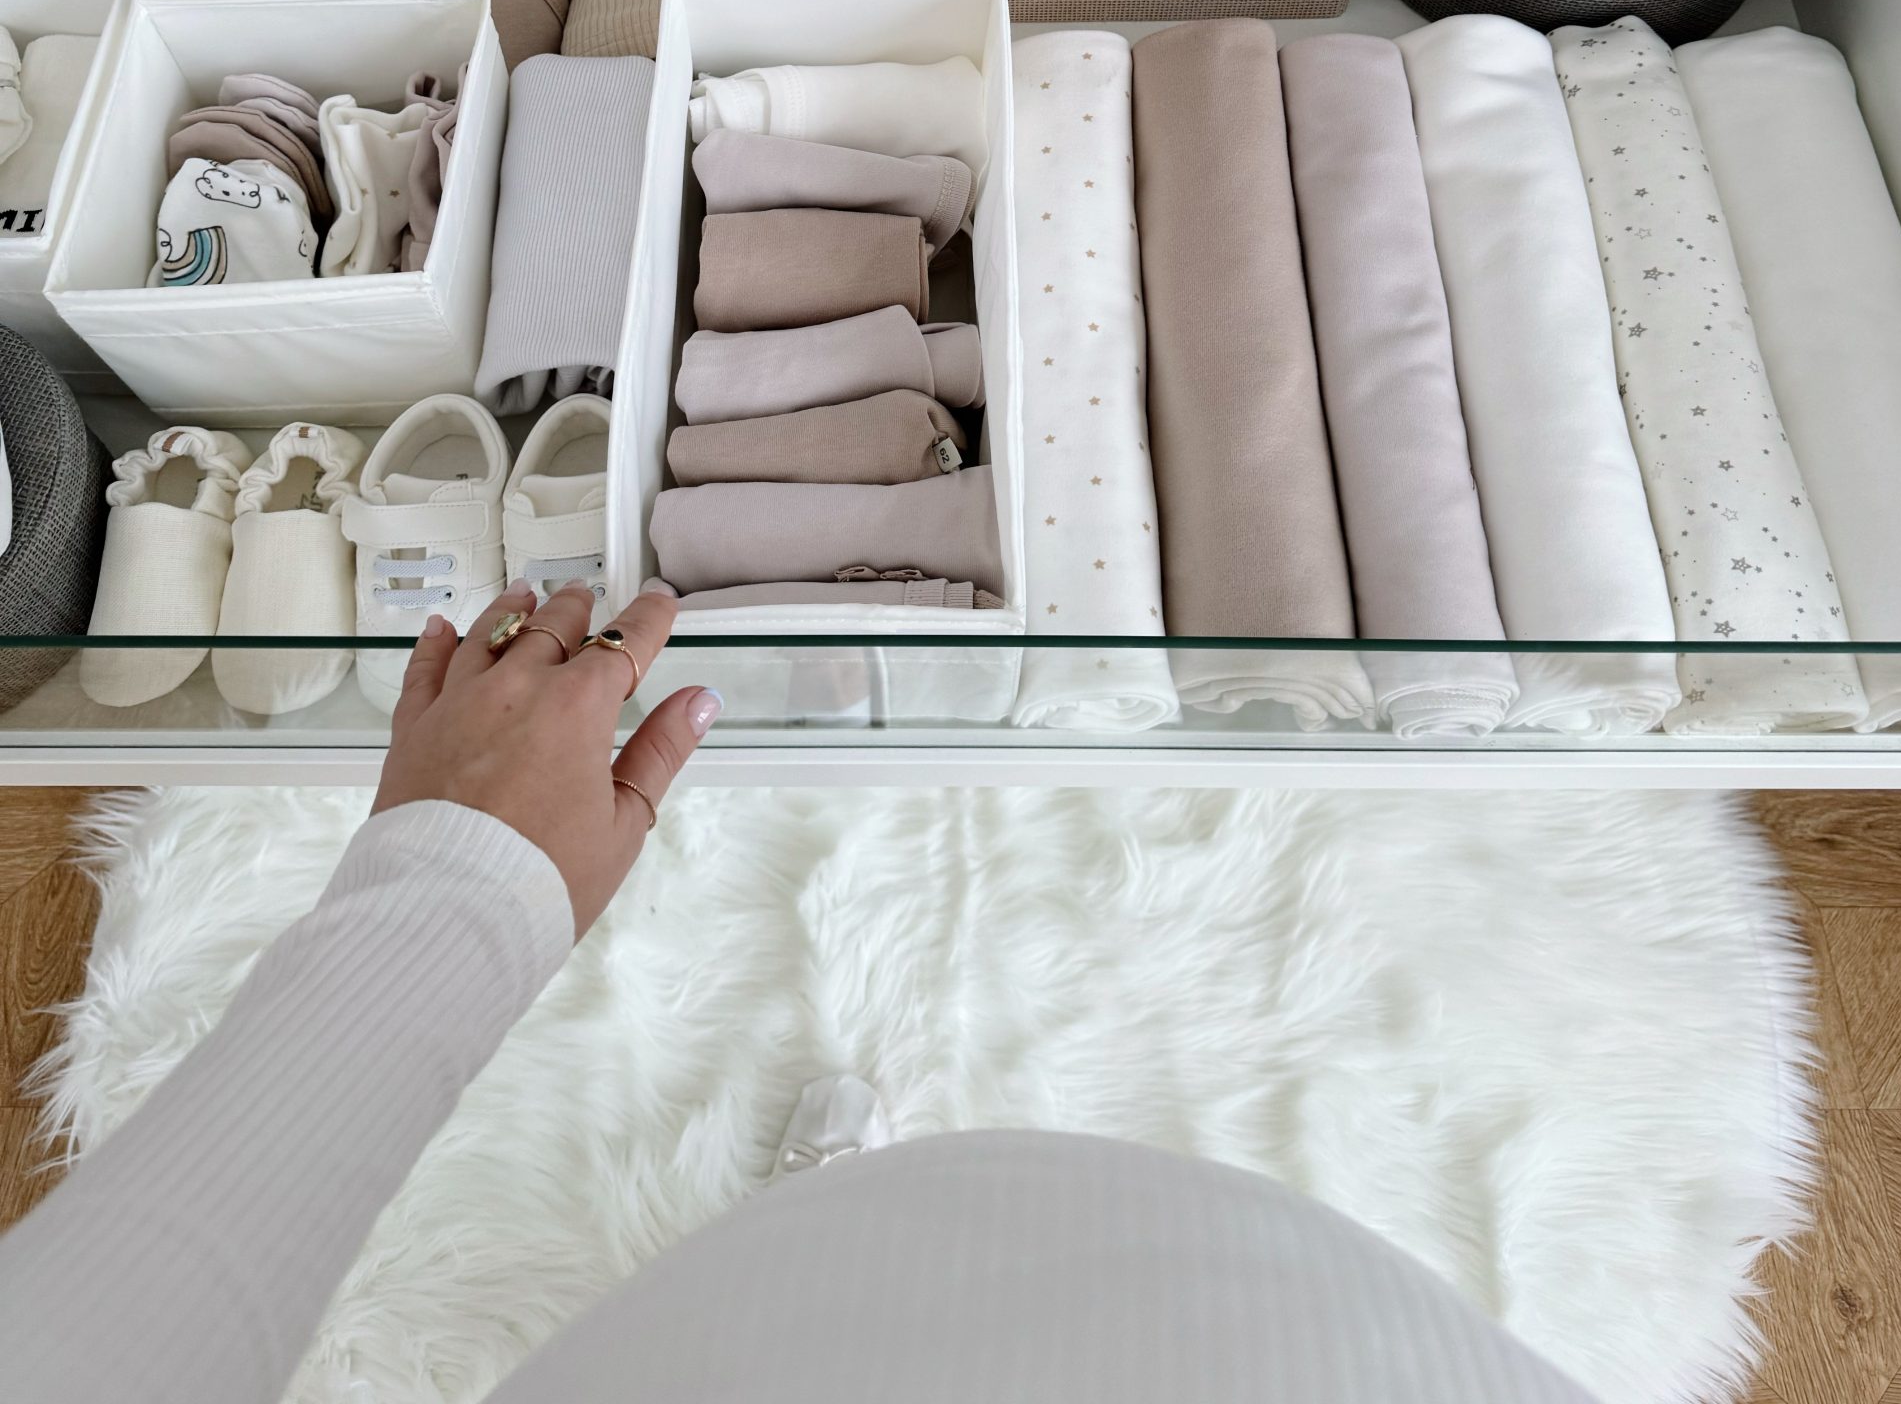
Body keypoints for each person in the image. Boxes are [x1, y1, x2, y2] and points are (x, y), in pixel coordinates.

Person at [0, 579, 1594, 1404]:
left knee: (843, 1286)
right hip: (1264, 1337)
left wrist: (464, 870)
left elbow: (113, 1341)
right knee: (984, 1268)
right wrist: (460, 873)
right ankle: (840, 1236)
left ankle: (827, 1237)